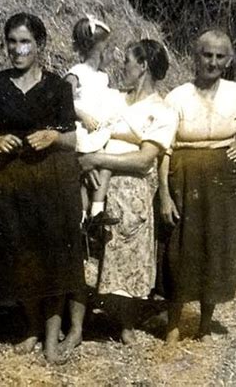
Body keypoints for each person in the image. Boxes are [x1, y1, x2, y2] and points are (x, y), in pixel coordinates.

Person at [0, 12, 85, 363]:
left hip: (52, 179)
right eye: (12, 42)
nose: (18, 50)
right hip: (11, 180)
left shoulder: (58, 87)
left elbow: (72, 138)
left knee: (53, 257)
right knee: (21, 257)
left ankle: (52, 337)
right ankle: (33, 327)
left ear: (40, 46)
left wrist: (54, 135)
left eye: (26, 43)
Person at [157, 29, 236, 344]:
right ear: (196, 58)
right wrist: (165, 194)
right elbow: (164, 149)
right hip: (184, 180)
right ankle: (173, 325)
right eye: (206, 55)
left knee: (216, 249)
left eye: (220, 56)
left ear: (229, 60)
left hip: (225, 182)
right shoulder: (177, 96)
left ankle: (205, 325)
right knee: (180, 250)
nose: (212, 61)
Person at [79, 39, 177, 344]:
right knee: (87, 251)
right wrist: (90, 162)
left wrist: (96, 159)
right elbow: (91, 131)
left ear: (143, 66)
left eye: (128, 61)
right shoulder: (113, 99)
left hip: (130, 187)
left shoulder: (162, 111)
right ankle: (79, 324)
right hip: (95, 179)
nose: (123, 67)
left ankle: (126, 323)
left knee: (128, 253)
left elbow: (144, 158)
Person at [65, 15, 125, 226]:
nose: (112, 54)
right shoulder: (77, 72)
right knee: (84, 177)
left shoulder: (103, 76)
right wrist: (82, 115)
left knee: (104, 167)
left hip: (98, 131)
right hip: (83, 129)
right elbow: (63, 101)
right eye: (108, 48)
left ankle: (97, 212)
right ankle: (81, 218)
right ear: (98, 49)